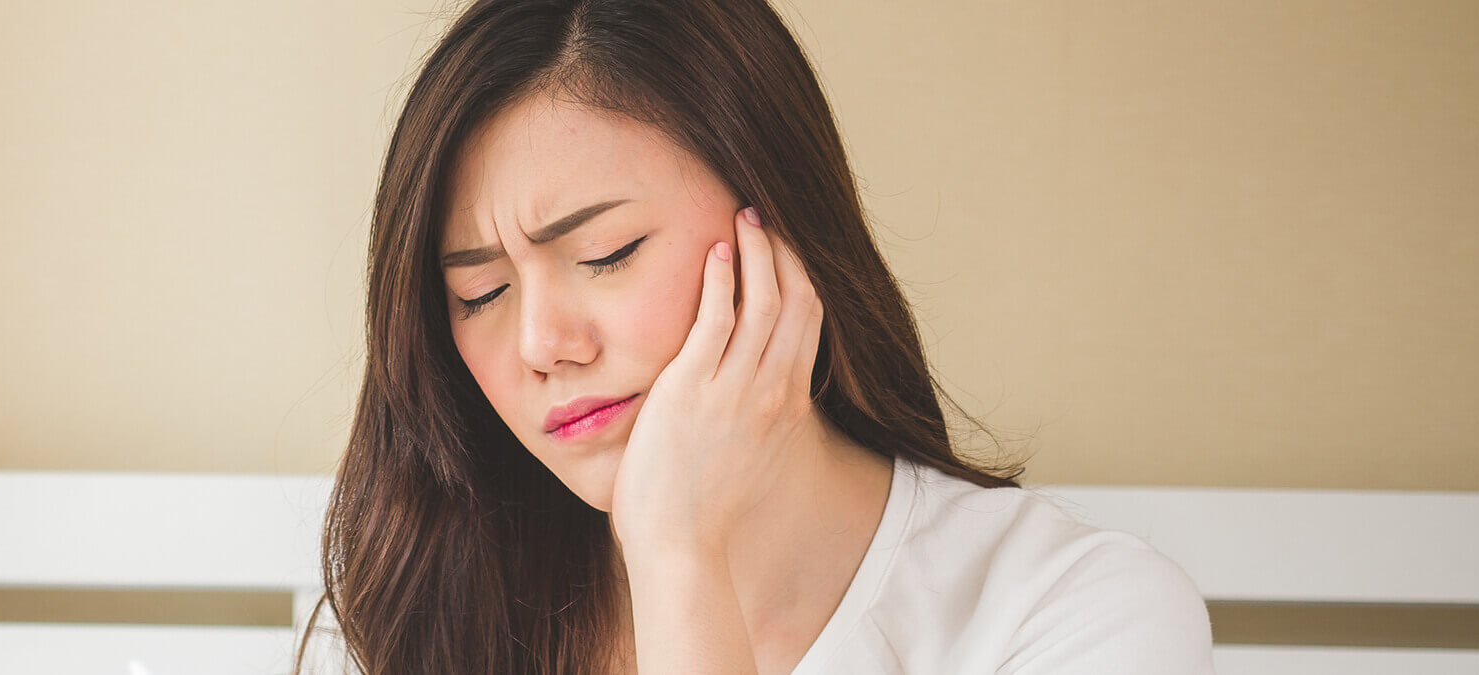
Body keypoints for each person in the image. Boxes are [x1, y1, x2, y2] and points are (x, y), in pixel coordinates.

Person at [306, 0, 1215, 672]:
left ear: (778, 227)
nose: (543, 341)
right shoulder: (428, 607)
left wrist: (678, 553)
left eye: (608, 253)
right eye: (481, 291)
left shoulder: (1076, 611)